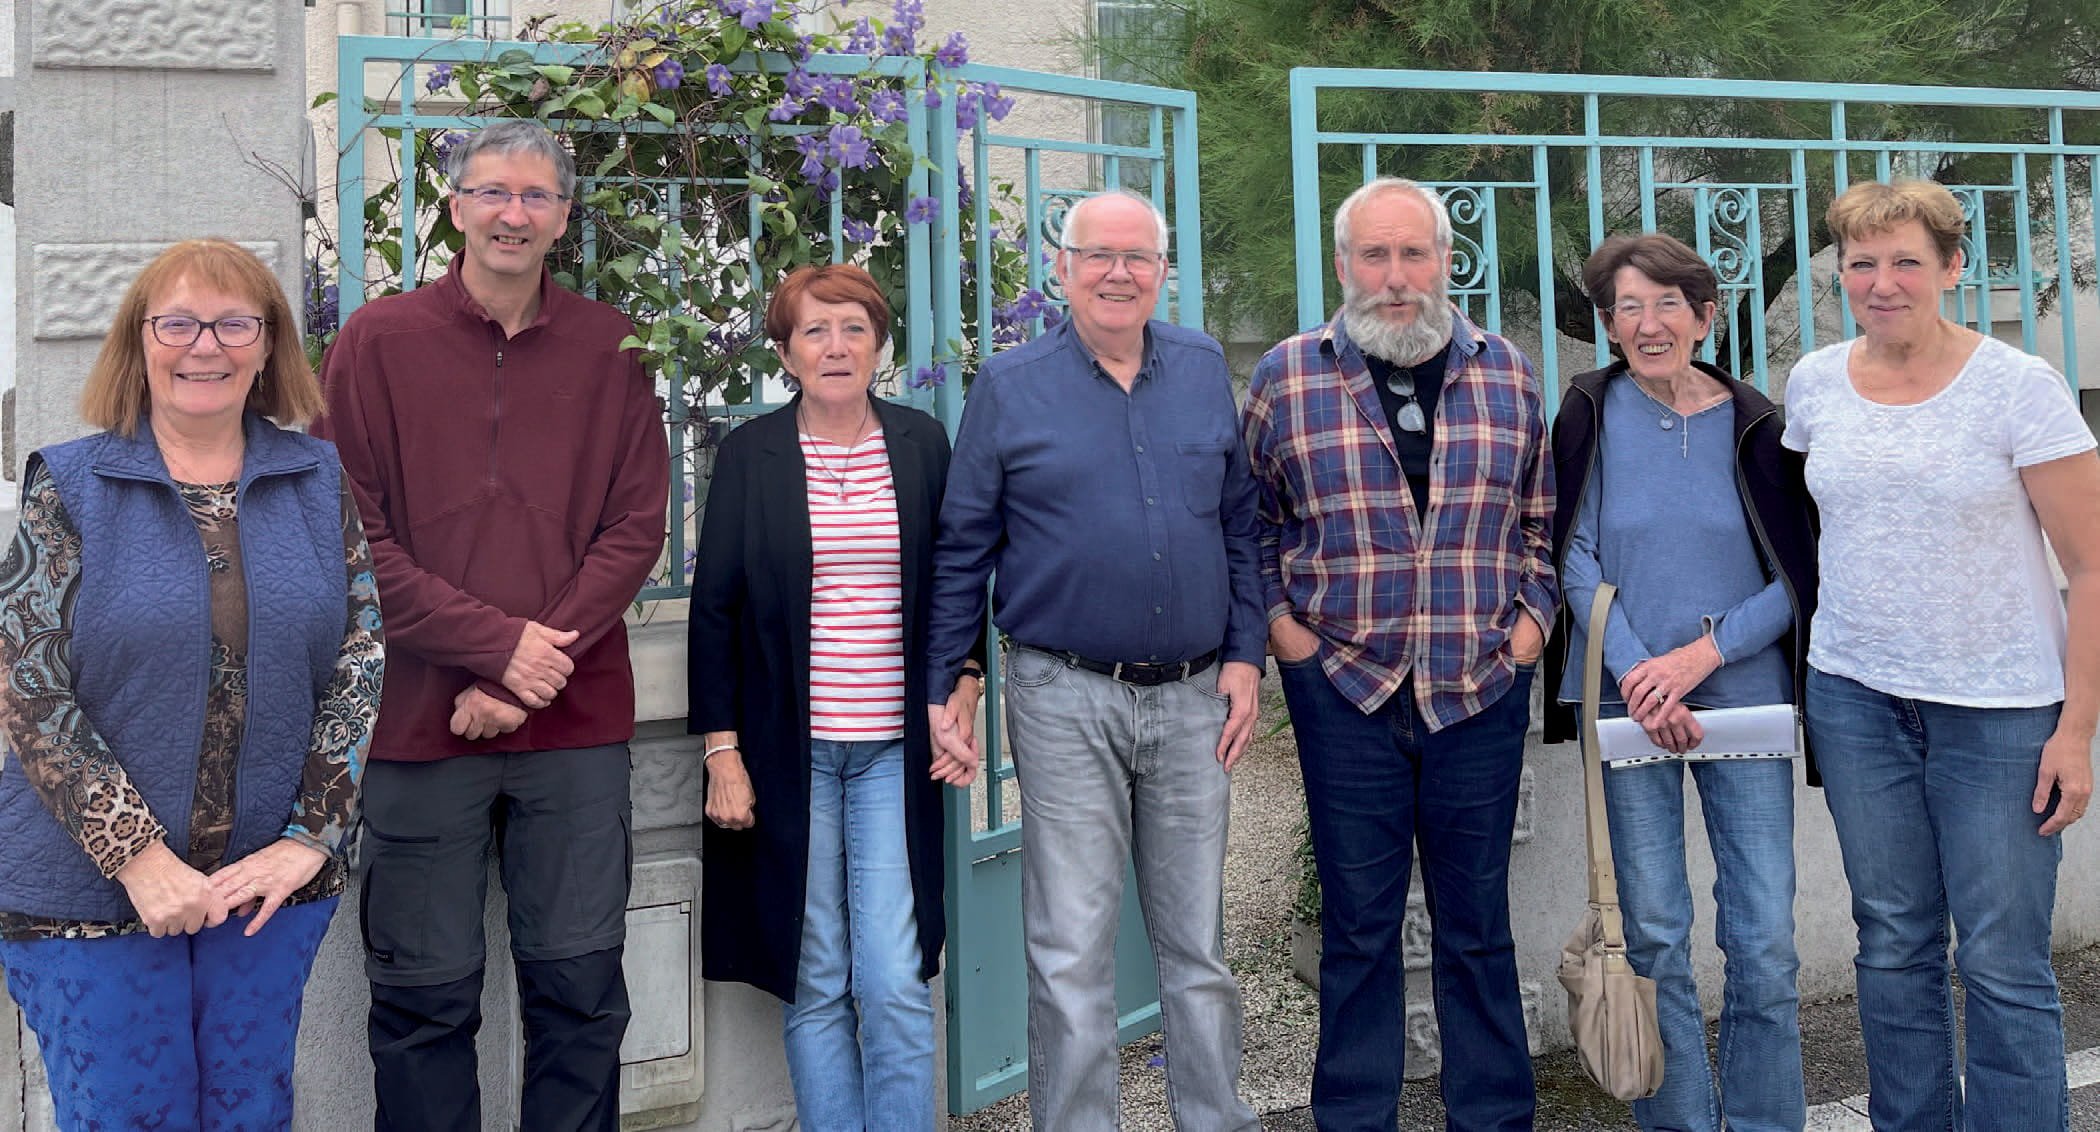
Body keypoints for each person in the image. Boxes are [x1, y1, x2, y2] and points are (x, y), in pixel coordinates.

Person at [314, 120, 671, 1132]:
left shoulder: (614, 347)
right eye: (492, 192)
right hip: (419, 729)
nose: (513, 213)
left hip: (574, 728)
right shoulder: (375, 343)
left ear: (563, 216)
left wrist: (521, 671)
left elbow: (636, 525)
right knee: (422, 1002)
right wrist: (493, 647)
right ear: (457, 205)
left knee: (582, 994)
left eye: (535, 196)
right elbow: (351, 536)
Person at [0, 238, 384, 1129]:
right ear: (140, 342)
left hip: (263, 890)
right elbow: (30, 685)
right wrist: (138, 859)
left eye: (232, 322)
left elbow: (360, 659)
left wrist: (310, 839)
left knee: (250, 1113)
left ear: (268, 345)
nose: (203, 344)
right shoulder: (72, 484)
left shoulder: (315, 478)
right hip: (89, 895)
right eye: (176, 322)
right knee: (131, 1114)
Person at [925, 189, 1265, 1131]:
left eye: (1139, 257)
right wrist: (949, 679)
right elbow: (964, 545)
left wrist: (1245, 653)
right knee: (1070, 949)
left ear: (1164, 271)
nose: (1119, 273)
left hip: (1198, 694)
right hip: (1062, 692)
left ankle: (1215, 1120)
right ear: (1061, 270)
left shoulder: (1201, 369)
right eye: (1098, 256)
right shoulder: (1009, 384)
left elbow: (1241, 523)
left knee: (1197, 945)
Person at [1783, 179, 2099, 1131]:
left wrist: (2076, 731)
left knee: (2002, 960)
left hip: (2000, 713)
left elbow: (2089, 566)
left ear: (1953, 268)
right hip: (1856, 700)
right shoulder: (1815, 381)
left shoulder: (2020, 387)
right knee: (1891, 944)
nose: (1882, 283)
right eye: (1861, 265)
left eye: (1907, 262)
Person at [1243, 176, 1555, 1131]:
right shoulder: (1288, 376)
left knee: (1476, 932)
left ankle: (1493, 1118)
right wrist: (1285, 633)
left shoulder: (1506, 371)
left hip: (1478, 689)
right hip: (1346, 689)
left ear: (1445, 263)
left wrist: (1532, 623)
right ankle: (1352, 1119)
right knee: (1359, 934)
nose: (1394, 277)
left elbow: (1540, 516)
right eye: (1373, 256)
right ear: (1343, 267)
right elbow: (1250, 523)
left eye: (1412, 254)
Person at [686, 264, 979, 1131]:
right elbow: (714, 613)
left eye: (854, 327)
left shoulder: (922, 444)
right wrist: (721, 752)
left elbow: (958, 585)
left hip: (894, 749)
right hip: (786, 755)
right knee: (814, 973)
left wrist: (964, 681)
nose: (836, 346)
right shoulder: (750, 455)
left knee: (892, 976)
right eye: (814, 331)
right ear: (785, 351)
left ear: (879, 342)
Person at [1544, 232, 1818, 1132]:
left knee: (1766, 942)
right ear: (1609, 323)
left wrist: (1704, 656)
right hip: (1629, 708)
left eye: (1668, 304)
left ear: (1706, 315)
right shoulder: (1587, 411)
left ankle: (1767, 1120)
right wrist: (1639, 674)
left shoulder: (1761, 424)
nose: (1649, 324)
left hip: (1743, 699)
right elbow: (1572, 557)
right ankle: (1682, 1124)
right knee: (1654, 932)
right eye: (1628, 307)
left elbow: (1801, 572)